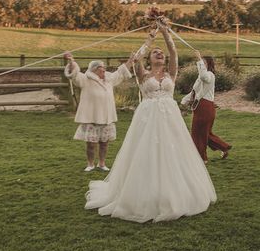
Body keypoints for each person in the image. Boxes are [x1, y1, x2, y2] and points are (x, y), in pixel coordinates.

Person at [85, 22, 217, 223]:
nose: (159, 53)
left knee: (173, 151)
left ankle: (174, 191)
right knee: (145, 151)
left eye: (160, 52)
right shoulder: (143, 74)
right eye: (155, 52)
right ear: (149, 58)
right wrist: (150, 38)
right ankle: (142, 193)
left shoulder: (170, 72)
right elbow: (137, 57)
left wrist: (165, 32)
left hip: (169, 117)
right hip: (147, 117)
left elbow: (173, 52)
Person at [64, 52, 135, 171]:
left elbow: (120, 72)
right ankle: (90, 164)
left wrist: (130, 60)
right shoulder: (85, 79)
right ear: (95, 70)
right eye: (101, 68)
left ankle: (102, 163)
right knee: (91, 144)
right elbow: (74, 75)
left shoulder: (108, 79)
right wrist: (71, 61)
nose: (104, 70)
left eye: (104, 68)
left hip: (106, 117)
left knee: (104, 143)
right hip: (91, 117)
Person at [181, 50, 231, 162]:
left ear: (207, 64)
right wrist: (183, 102)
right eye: (201, 62)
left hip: (205, 107)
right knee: (204, 134)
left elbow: (204, 76)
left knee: (197, 134)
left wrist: (198, 59)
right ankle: (223, 148)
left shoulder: (209, 75)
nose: (201, 64)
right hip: (201, 107)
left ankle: (202, 159)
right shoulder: (201, 77)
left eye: (203, 62)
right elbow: (195, 92)